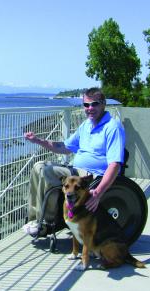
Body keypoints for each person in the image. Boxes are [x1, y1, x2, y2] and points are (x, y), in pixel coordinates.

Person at [24, 87, 125, 226]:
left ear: (103, 104)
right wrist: (38, 140)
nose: (90, 108)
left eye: (94, 104)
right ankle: (34, 219)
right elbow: (64, 147)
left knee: (47, 171)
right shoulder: (86, 125)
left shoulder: (113, 127)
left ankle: (47, 223)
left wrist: (98, 193)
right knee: (38, 166)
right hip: (76, 170)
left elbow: (115, 164)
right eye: (86, 105)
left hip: (93, 176)